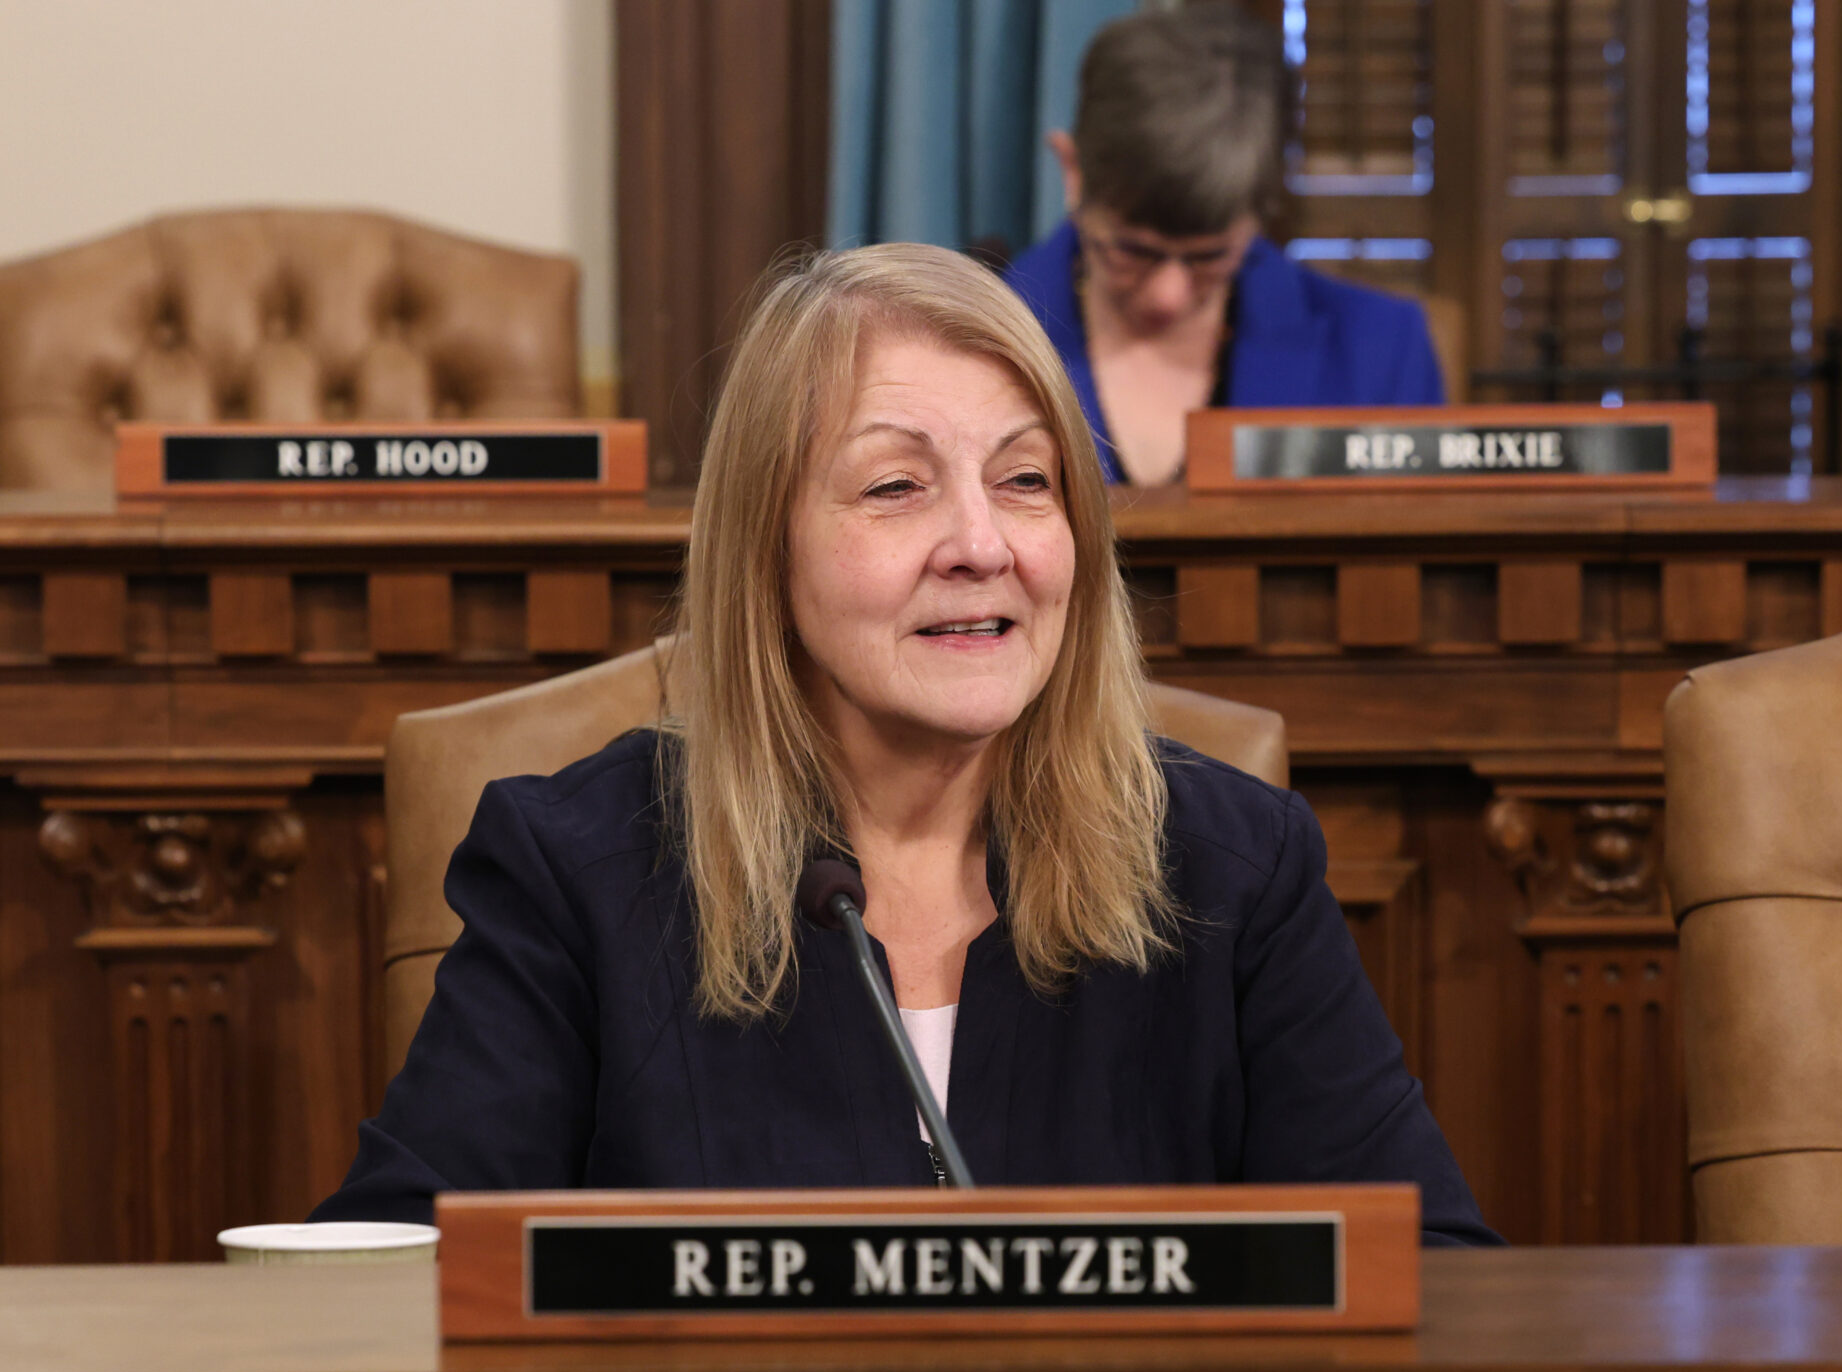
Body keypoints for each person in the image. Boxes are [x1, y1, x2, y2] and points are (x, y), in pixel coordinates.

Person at [313, 242, 1494, 1245]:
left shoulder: (1234, 866)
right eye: (894, 489)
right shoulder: (575, 872)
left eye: (1026, 481)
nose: (982, 545)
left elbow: (1430, 1273)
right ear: (764, 552)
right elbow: (400, 1277)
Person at [1004, 3, 1445, 487]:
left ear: (1262, 210)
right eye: (1132, 250)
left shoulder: (1379, 351)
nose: (1167, 296)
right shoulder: (975, 340)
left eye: (1209, 256)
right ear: (1072, 172)